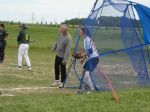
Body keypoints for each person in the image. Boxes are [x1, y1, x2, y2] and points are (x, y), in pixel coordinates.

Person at [72, 26, 99, 93]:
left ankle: (92, 89)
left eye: (80, 31)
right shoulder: (85, 39)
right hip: (91, 58)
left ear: (84, 32)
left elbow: (90, 51)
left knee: (87, 73)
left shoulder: (87, 39)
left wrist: (81, 56)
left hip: (94, 58)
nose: (79, 33)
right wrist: (83, 59)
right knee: (84, 71)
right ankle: (88, 85)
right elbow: (88, 52)